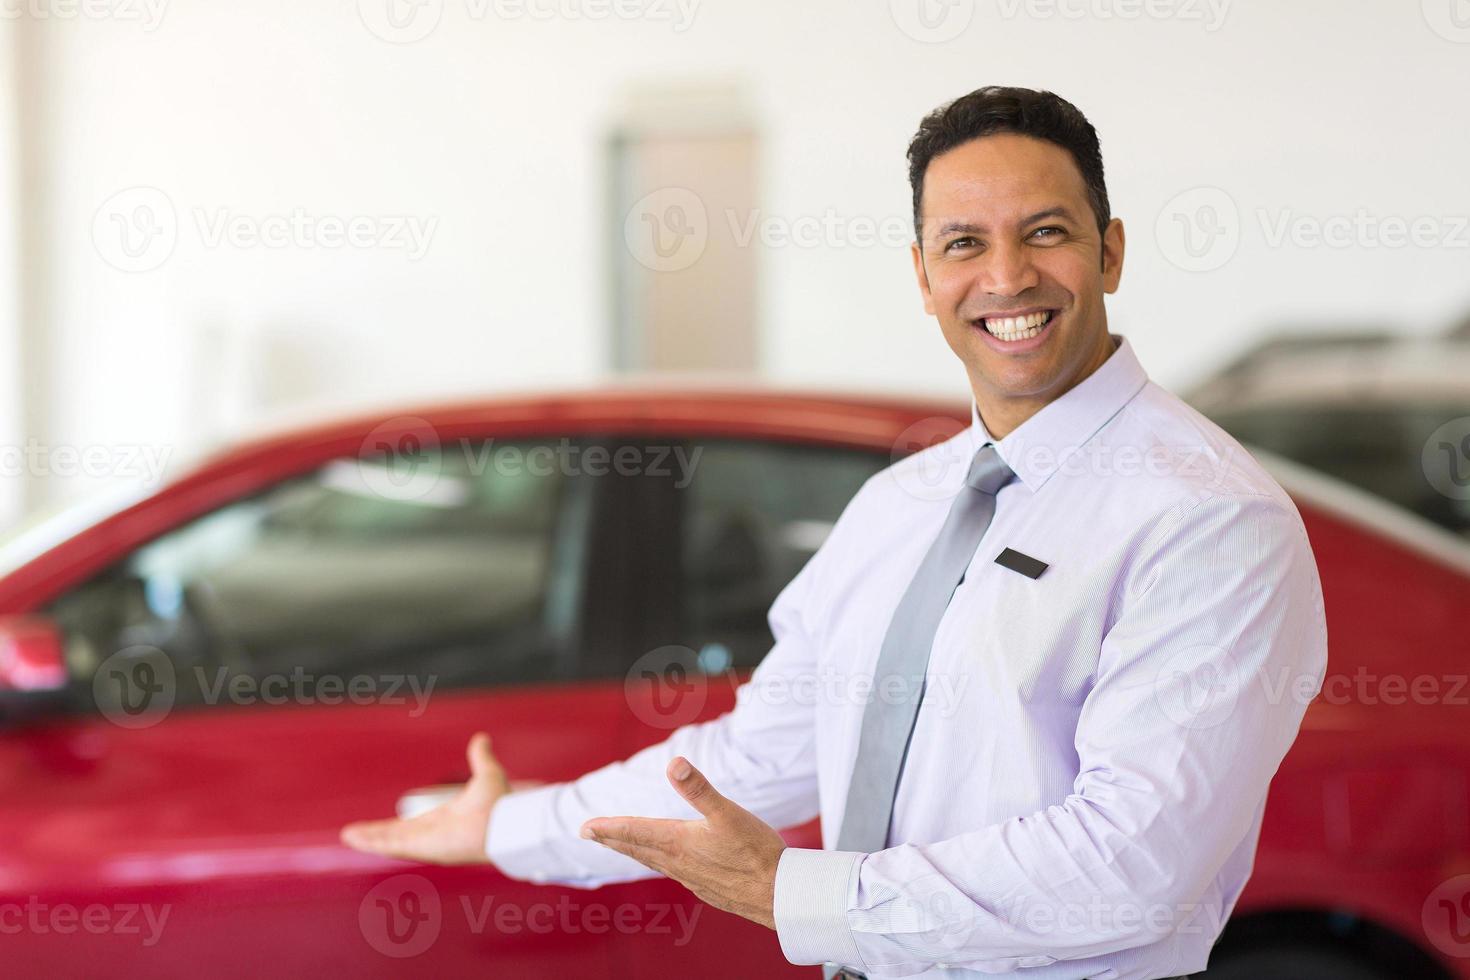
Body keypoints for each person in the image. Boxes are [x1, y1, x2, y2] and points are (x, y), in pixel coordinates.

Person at [341, 86, 1328, 980]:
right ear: (922, 272)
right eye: (963, 243)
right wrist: (515, 823)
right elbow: (760, 753)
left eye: (1046, 232)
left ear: (1110, 249)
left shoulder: (1207, 517)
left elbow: (1132, 863)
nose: (1007, 275)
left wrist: (804, 896)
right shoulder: (899, 506)